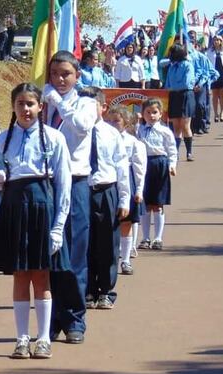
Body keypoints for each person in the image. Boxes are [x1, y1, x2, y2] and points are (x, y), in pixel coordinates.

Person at [0, 83, 71, 359]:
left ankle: (44, 337)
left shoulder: (55, 139)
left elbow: (63, 184)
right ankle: (22, 338)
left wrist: (58, 227)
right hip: (14, 209)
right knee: (20, 274)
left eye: (31, 104)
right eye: (20, 103)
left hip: (43, 210)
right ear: (13, 106)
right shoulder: (2, 140)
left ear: (40, 107)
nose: (26, 109)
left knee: (42, 275)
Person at [42, 50, 98, 344]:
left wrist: (58, 102)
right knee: (50, 252)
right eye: (54, 74)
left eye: (66, 74)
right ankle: (50, 319)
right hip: (47, 182)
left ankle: (75, 318)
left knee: (75, 250)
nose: (60, 79)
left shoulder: (86, 104)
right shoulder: (44, 104)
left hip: (75, 182)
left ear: (77, 76)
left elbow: (79, 127)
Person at [77, 87, 130, 311]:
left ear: (103, 107)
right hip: (83, 190)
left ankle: (106, 291)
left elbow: (122, 167)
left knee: (108, 244)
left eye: (92, 107)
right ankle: (87, 290)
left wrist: (124, 199)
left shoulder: (111, 134)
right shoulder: (74, 132)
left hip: (107, 190)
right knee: (84, 243)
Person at [105, 106, 146, 276]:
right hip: (109, 180)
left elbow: (139, 169)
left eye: (117, 121)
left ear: (126, 122)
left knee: (126, 222)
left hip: (126, 180)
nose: (113, 124)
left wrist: (139, 190)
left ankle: (126, 259)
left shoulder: (133, 142)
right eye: (110, 121)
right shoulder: (104, 139)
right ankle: (110, 257)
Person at [137, 98, 177, 251]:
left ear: (161, 114)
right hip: (144, 165)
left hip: (160, 165)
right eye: (148, 112)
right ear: (143, 114)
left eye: (155, 112)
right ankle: (145, 237)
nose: (151, 115)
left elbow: (171, 149)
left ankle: (158, 238)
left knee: (158, 204)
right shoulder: (139, 130)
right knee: (145, 204)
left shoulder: (165, 131)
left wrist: (172, 165)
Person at [164, 43, 196, 161]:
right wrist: (169, 88)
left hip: (185, 96)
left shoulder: (188, 66)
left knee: (185, 125)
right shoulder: (172, 67)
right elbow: (167, 83)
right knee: (176, 126)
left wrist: (173, 87)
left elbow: (187, 83)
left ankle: (189, 152)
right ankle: (175, 152)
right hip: (173, 97)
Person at [207, 37, 223, 123]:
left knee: (222, 93)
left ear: (221, 41)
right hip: (214, 74)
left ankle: (222, 112)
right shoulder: (210, 52)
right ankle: (215, 114)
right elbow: (208, 63)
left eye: (218, 40)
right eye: (215, 40)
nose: (216, 42)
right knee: (214, 94)